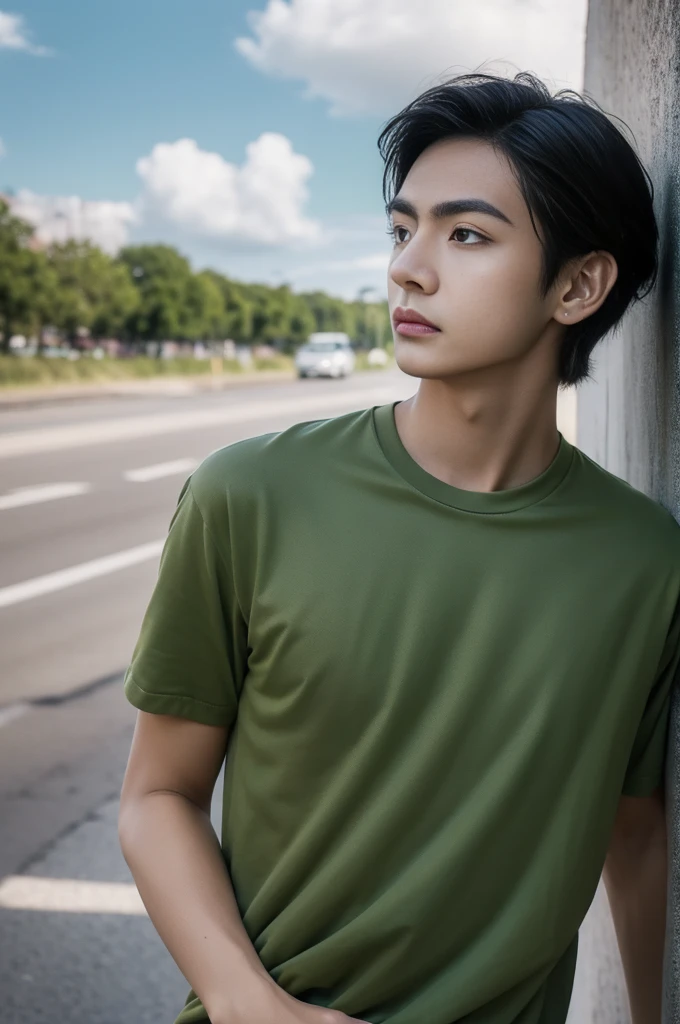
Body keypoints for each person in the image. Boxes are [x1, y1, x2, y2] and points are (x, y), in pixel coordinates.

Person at [118, 71, 674, 1024]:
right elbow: (157, 795)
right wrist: (248, 1002)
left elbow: (634, 832)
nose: (409, 268)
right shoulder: (249, 495)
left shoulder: (647, 563)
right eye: (402, 228)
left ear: (579, 285)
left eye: (466, 235)